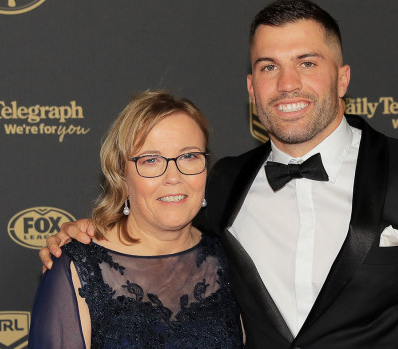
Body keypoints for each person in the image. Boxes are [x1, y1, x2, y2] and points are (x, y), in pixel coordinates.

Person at [41, 1, 398, 348]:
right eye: (269, 67)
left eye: (307, 63)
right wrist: (85, 235)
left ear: (342, 78)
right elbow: (158, 233)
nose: (287, 84)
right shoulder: (224, 182)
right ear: (252, 88)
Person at [29, 91, 243, 348]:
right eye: (151, 160)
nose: (173, 177)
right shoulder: (78, 268)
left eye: (189, 156)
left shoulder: (231, 259)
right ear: (121, 175)